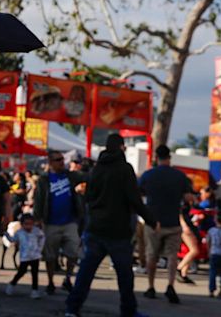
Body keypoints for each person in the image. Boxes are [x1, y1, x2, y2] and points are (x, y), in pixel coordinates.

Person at [65, 134, 157, 317]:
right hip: (118, 231)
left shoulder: (97, 169)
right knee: (124, 276)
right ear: (122, 147)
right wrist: (151, 220)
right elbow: (135, 199)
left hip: (95, 228)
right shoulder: (125, 169)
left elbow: (89, 197)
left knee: (86, 272)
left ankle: (72, 308)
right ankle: (128, 311)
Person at [139, 144, 193, 304]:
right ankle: (170, 285)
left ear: (156, 158)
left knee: (151, 255)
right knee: (172, 255)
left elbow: (139, 194)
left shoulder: (148, 175)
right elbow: (188, 196)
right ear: (169, 158)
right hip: (173, 222)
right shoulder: (179, 176)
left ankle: (150, 286)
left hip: (153, 221)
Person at [34, 150, 87, 295]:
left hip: (70, 222)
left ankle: (68, 278)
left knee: (73, 252)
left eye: (62, 159)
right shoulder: (44, 180)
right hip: (51, 222)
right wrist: (37, 219)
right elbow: (38, 200)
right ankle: (51, 282)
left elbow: (86, 177)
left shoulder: (70, 175)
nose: (61, 162)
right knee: (51, 256)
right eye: (58, 160)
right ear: (50, 162)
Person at [4, 213, 45, 299]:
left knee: (35, 274)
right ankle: (12, 284)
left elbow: (42, 238)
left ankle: (35, 290)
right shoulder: (19, 233)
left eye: (30, 224)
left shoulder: (36, 231)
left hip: (35, 256)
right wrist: (6, 235)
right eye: (26, 224)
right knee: (21, 272)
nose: (28, 226)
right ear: (22, 224)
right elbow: (13, 240)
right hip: (25, 257)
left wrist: (40, 249)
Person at [176, 196, 200, 285]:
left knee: (189, 251)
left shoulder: (187, 201)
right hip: (185, 227)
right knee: (194, 250)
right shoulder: (181, 201)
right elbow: (179, 214)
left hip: (188, 225)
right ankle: (179, 268)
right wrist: (184, 226)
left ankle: (183, 273)